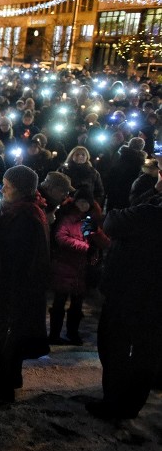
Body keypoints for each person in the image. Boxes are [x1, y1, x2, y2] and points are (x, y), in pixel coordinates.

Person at [85, 172, 162, 420]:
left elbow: (113, 221)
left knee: (115, 346)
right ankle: (131, 404)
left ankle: (115, 404)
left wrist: (155, 192)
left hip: (131, 292)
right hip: (151, 296)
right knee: (146, 350)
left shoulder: (150, 214)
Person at [0, 165, 50, 402]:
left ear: (21, 190)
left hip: (18, 285)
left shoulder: (24, 216)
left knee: (10, 333)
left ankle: (5, 387)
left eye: (8, 187)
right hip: (20, 283)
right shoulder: (20, 210)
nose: (3, 190)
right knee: (9, 332)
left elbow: (14, 252)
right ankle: (8, 374)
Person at [49, 187, 109, 346]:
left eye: (86, 202)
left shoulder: (92, 220)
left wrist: (96, 232)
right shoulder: (68, 217)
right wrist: (84, 247)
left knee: (77, 305)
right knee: (59, 303)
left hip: (82, 269)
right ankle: (54, 334)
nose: (83, 205)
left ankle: (72, 333)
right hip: (65, 266)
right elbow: (61, 237)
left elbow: (104, 243)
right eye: (80, 201)